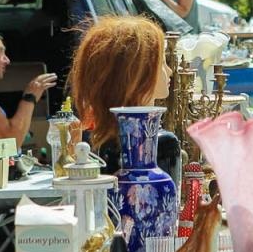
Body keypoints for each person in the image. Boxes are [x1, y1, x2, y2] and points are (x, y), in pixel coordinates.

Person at [67, 15, 179, 182]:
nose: (169, 71)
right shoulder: (161, 143)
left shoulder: (97, 141)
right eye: (162, 63)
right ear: (138, 73)